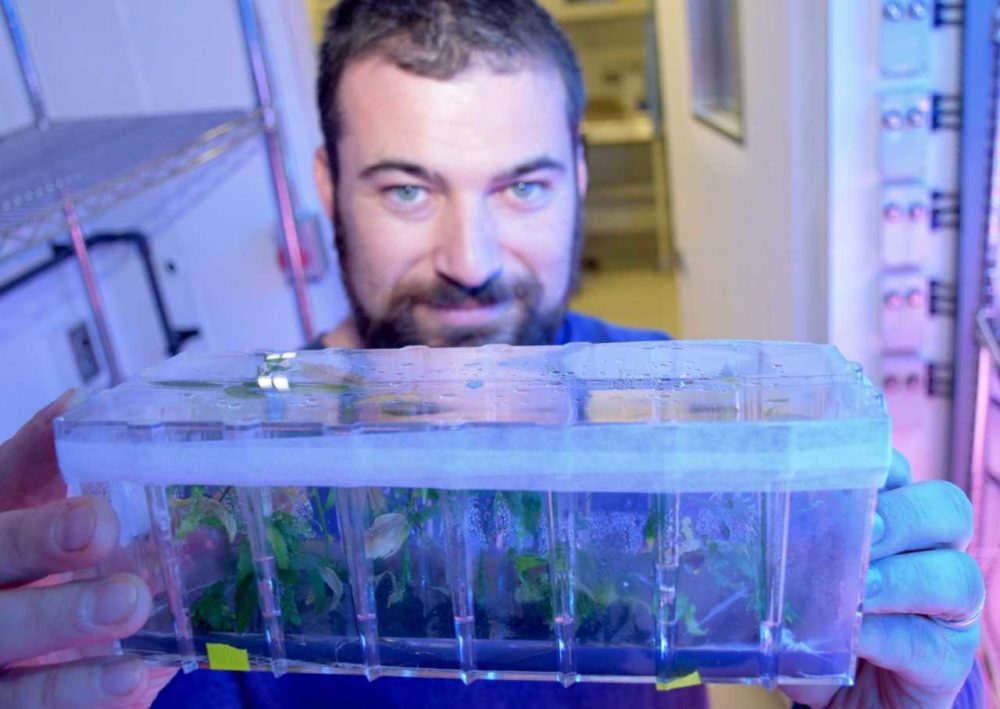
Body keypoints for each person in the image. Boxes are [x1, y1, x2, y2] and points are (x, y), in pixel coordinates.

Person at [0, 1, 985, 706]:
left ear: (578, 181)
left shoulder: (673, 430)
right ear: (325, 183)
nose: (467, 263)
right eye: (405, 190)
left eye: (521, 187)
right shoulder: (221, 497)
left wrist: (918, 690)